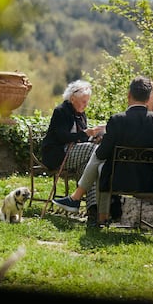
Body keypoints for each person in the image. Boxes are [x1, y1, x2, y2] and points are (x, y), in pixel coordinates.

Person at [52, 76, 153, 226]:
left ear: (129, 95)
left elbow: (102, 153)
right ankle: (79, 201)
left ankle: (99, 215)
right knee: (99, 161)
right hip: (149, 181)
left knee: (100, 165)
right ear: (149, 96)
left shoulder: (117, 120)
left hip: (116, 180)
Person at [41, 80, 105, 213]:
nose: (86, 104)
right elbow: (62, 137)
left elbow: (81, 139)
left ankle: (92, 210)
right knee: (94, 152)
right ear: (72, 99)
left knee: (89, 169)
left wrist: (94, 137)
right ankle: (76, 201)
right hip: (57, 154)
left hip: (74, 155)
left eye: (87, 101)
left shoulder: (81, 115)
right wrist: (85, 133)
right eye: (83, 101)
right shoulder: (61, 111)